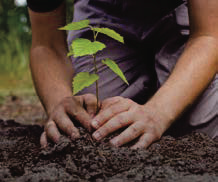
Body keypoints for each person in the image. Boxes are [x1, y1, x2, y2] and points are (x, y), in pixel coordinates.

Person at [27, 0, 218, 149]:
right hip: (103, 8)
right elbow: (46, 44)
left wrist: (159, 112)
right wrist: (59, 104)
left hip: (192, 11)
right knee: (93, 121)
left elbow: (208, 35)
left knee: (202, 126)